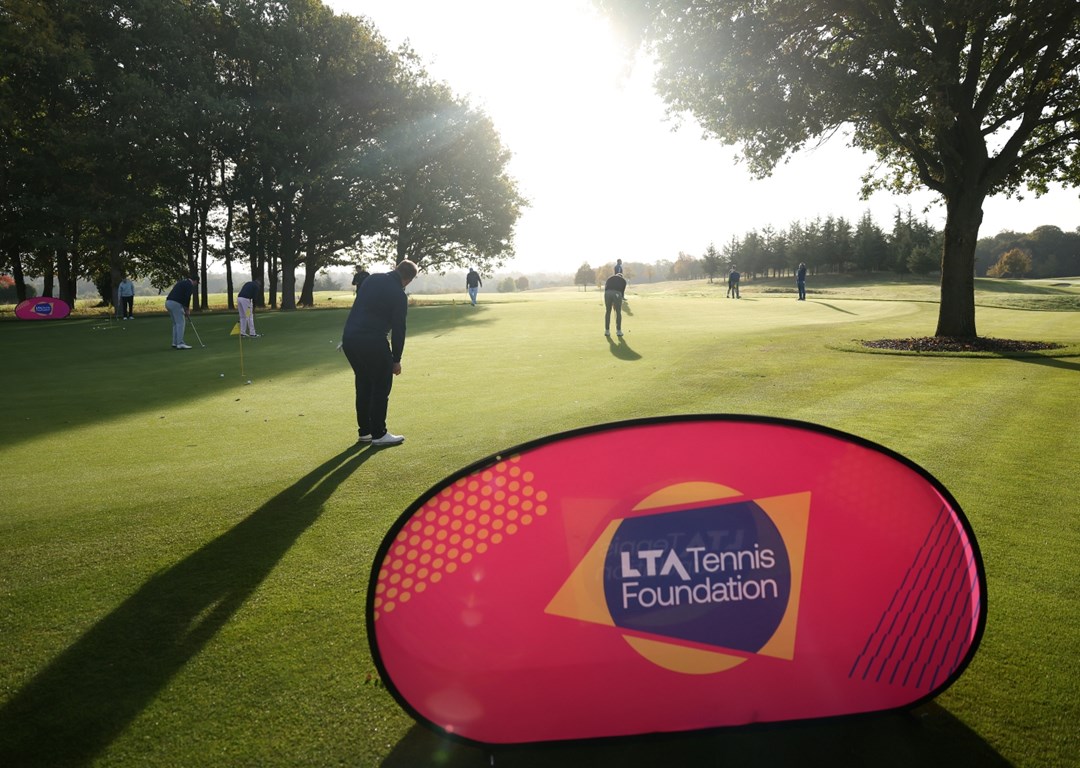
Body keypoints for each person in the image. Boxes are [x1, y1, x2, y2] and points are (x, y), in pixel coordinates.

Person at [341, 260, 418, 447]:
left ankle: (365, 432)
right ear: (408, 280)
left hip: (349, 339)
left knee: (364, 383)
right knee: (381, 387)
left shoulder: (372, 278)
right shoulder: (399, 295)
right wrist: (396, 359)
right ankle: (379, 434)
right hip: (373, 341)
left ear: (397, 268)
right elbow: (399, 329)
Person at [165, 276, 199, 349]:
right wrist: (187, 310)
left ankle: (175, 342)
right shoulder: (189, 285)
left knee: (175, 324)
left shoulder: (182, 282)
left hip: (168, 303)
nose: (196, 284)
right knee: (181, 323)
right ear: (195, 281)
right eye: (197, 283)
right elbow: (187, 297)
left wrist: (185, 308)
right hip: (175, 303)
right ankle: (180, 343)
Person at [603, 270, 628, 337]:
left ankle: (607, 331)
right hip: (617, 294)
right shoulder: (623, 281)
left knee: (608, 311)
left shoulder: (610, 278)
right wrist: (616, 302)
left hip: (607, 293)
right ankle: (618, 331)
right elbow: (622, 294)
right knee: (618, 312)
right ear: (621, 276)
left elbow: (606, 288)